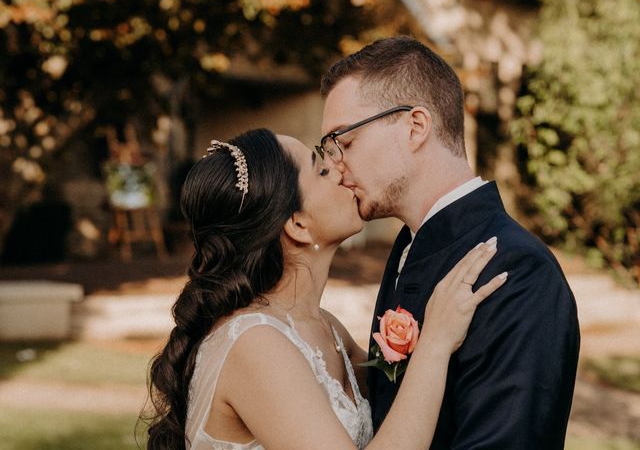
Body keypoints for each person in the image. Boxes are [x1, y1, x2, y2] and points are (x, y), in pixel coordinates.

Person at [144, 128, 507, 450]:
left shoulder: (327, 329)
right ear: (298, 224)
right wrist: (435, 343)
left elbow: (404, 405)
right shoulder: (254, 344)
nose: (339, 167)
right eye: (321, 169)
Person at [318, 35, 580, 449]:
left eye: (344, 142)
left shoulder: (517, 269)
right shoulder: (410, 248)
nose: (335, 165)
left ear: (416, 127)